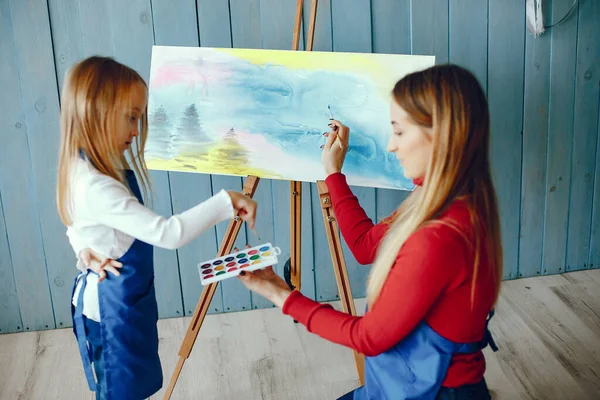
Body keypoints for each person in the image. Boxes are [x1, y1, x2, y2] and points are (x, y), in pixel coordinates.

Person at [236, 64, 501, 399]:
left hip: (428, 391)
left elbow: (368, 338)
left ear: (441, 135)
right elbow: (365, 247)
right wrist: (333, 173)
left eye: (400, 132)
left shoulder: (439, 235)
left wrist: (279, 293)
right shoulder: (448, 200)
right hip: (408, 378)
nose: (391, 146)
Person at [56, 56, 258, 400]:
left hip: (122, 303)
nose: (137, 130)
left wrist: (83, 248)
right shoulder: (98, 187)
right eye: (131, 117)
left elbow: (74, 222)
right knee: (120, 393)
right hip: (111, 313)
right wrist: (227, 200)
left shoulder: (82, 167)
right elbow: (169, 233)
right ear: (99, 113)